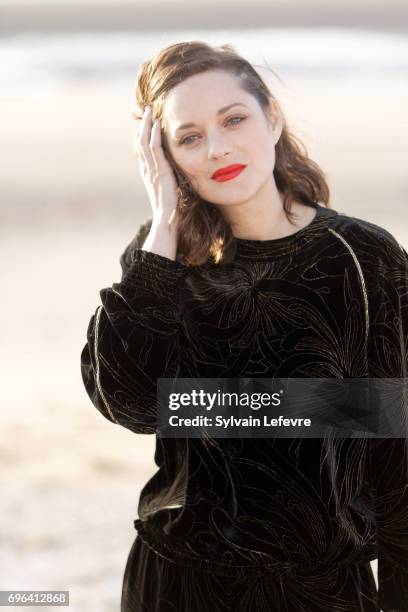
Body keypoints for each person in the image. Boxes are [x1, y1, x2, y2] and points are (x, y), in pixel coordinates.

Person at [80, 41, 408, 611]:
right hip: (175, 579)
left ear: (272, 117)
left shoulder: (361, 257)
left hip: (317, 586)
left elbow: (396, 436)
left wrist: (191, 404)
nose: (218, 148)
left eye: (234, 119)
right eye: (189, 137)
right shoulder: (162, 262)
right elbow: (128, 402)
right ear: (164, 157)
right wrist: (162, 224)